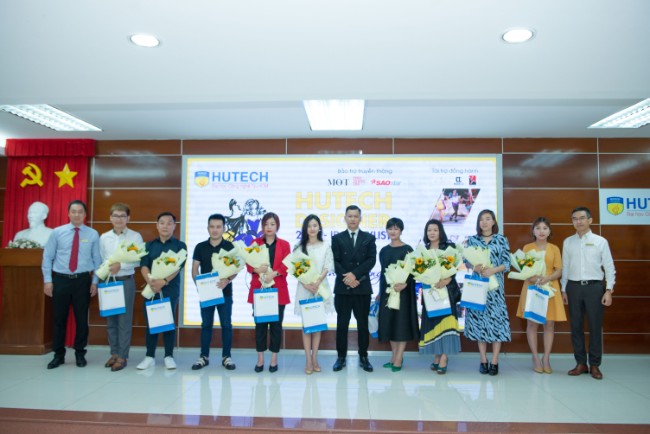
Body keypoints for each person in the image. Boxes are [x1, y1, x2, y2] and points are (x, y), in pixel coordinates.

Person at [42, 200, 101, 369]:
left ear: (85, 215)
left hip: (82, 281)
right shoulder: (57, 232)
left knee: (81, 320)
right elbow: (47, 257)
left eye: (80, 212)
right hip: (60, 280)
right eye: (73, 211)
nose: (77, 214)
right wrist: (48, 280)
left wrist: (95, 282)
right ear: (68, 213)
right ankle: (58, 355)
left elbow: (97, 259)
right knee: (59, 319)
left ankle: (80, 354)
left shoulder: (93, 234)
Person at [561, 207, 615, 380]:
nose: (578, 221)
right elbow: (565, 267)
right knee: (576, 327)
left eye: (582, 218)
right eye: (575, 218)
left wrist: (609, 290)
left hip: (594, 288)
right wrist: (563, 289)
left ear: (590, 220)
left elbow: (609, 267)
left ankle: (595, 365)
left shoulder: (600, 241)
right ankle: (581, 363)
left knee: (595, 327)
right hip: (573, 287)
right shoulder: (568, 242)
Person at [95, 203, 144, 372]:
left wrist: (121, 265)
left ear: (128, 218)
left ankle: (123, 356)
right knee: (111, 320)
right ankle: (114, 353)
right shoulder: (104, 237)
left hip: (125, 281)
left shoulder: (135, 237)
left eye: (122, 216)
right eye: (115, 216)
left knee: (124, 320)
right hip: (108, 282)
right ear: (110, 218)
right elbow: (102, 259)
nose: (119, 219)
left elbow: (138, 260)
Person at [515, 217, 566, 374]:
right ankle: (535, 357)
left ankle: (546, 358)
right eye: (538, 228)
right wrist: (533, 278)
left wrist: (547, 278)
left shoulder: (554, 248)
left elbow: (559, 270)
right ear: (533, 231)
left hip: (550, 288)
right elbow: (523, 269)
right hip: (532, 287)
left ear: (549, 231)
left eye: (545, 228)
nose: (541, 231)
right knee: (532, 323)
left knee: (549, 324)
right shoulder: (527, 247)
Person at [137, 212, 187, 370]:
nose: (165, 226)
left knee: (168, 323)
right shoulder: (149, 246)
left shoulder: (180, 246)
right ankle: (149, 356)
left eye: (169, 223)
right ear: (157, 225)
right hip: (151, 289)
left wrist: (163, 282)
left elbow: (178, 267)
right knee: (151, 323)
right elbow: (144, 265)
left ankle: (168, 356)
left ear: (174, 226)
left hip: (170, 289)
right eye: (162, 223)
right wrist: (151, 282)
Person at [464, 209, 511, 376]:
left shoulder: (501, 240)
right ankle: (483, 360)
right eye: (481, 219)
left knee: (497, 323)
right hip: (478, 286)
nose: (484, 222)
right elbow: (466, 261)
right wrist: (473, 266)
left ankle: (495, 361)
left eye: (488, 219)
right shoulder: (472, 240)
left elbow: (507, 263)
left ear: (493, 222)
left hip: (495, 289)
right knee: (479, 322)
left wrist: (493, 270)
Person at [331, 205, 377, 373]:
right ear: (345, 218)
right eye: (349, 216)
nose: (352, 219)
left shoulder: (369, 238)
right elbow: (335, 261)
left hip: (362, 287)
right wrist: (348, 278)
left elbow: (371, 260)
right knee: (342, 324)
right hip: (343, 289)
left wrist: (355, 275)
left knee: (363, 324)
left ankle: (363, 356)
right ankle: (341, 357)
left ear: (360, 218)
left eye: (355, 216)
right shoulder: (337, 238)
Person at [191, 213, 239, 371]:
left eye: (218, 227)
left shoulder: (230, 247)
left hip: (225, 292)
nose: (215, 230)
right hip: (207, 293)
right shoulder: (200, 247)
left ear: (224, 228)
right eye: (212, 226)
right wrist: (199, 285)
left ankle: (226, 357)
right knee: (206, 325)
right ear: (207, 228)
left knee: (226, 325)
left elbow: (235, 269)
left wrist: (228, 280)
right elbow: (194, 269)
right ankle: (204, 356)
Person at [246, 212, 290, 373]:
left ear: (277, 226)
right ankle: (260, 359)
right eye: (266, 224)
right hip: (260, 289)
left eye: (272, 224)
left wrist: (274, 273)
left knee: (276, 326)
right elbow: (248, 263)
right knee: (260, 325)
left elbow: (287, 264)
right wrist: (256, 269)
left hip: (278, 289)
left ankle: (273, 359)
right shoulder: (255, 243)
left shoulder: (284, 244)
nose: (269, 227)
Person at [418, 219, 461, 374]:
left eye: (435, 230)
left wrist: (446, 280)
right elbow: (419, 271)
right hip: (431, 294)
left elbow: (455, 267)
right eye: (429, 230)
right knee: (434, 325)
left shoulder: (449, 248)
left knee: (446, 324)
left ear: (441, 232)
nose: (432, 233)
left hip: (447, 292)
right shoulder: (423, 251)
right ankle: (437, 355)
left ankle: (444, 357)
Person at [293, 214, 334, 374]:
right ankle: (308, 360)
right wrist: (306, 284)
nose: (312, 228)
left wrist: (317, 282)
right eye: (309, 226)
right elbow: (296, 269)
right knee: (306, 326)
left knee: (317, 326)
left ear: (319, 228)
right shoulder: (299, 247)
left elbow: (327, 266)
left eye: (315, 225)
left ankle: (315, 357)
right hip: (305, 289)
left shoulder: (325, 245)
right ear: (305, 228)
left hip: (320, 288)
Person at [377, 218, 418, 372]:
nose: (393, 231)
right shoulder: (383, 250)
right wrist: (380, 293)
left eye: (396, 228)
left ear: (401, 230)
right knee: (389, 324)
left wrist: (405, 284)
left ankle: (399, 358)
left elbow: (413, 272)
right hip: (388, 292)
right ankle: (394, 356)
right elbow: (383, 274)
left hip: (404, 294)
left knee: (401, 324)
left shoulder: (408, 249)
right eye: (390, 228)